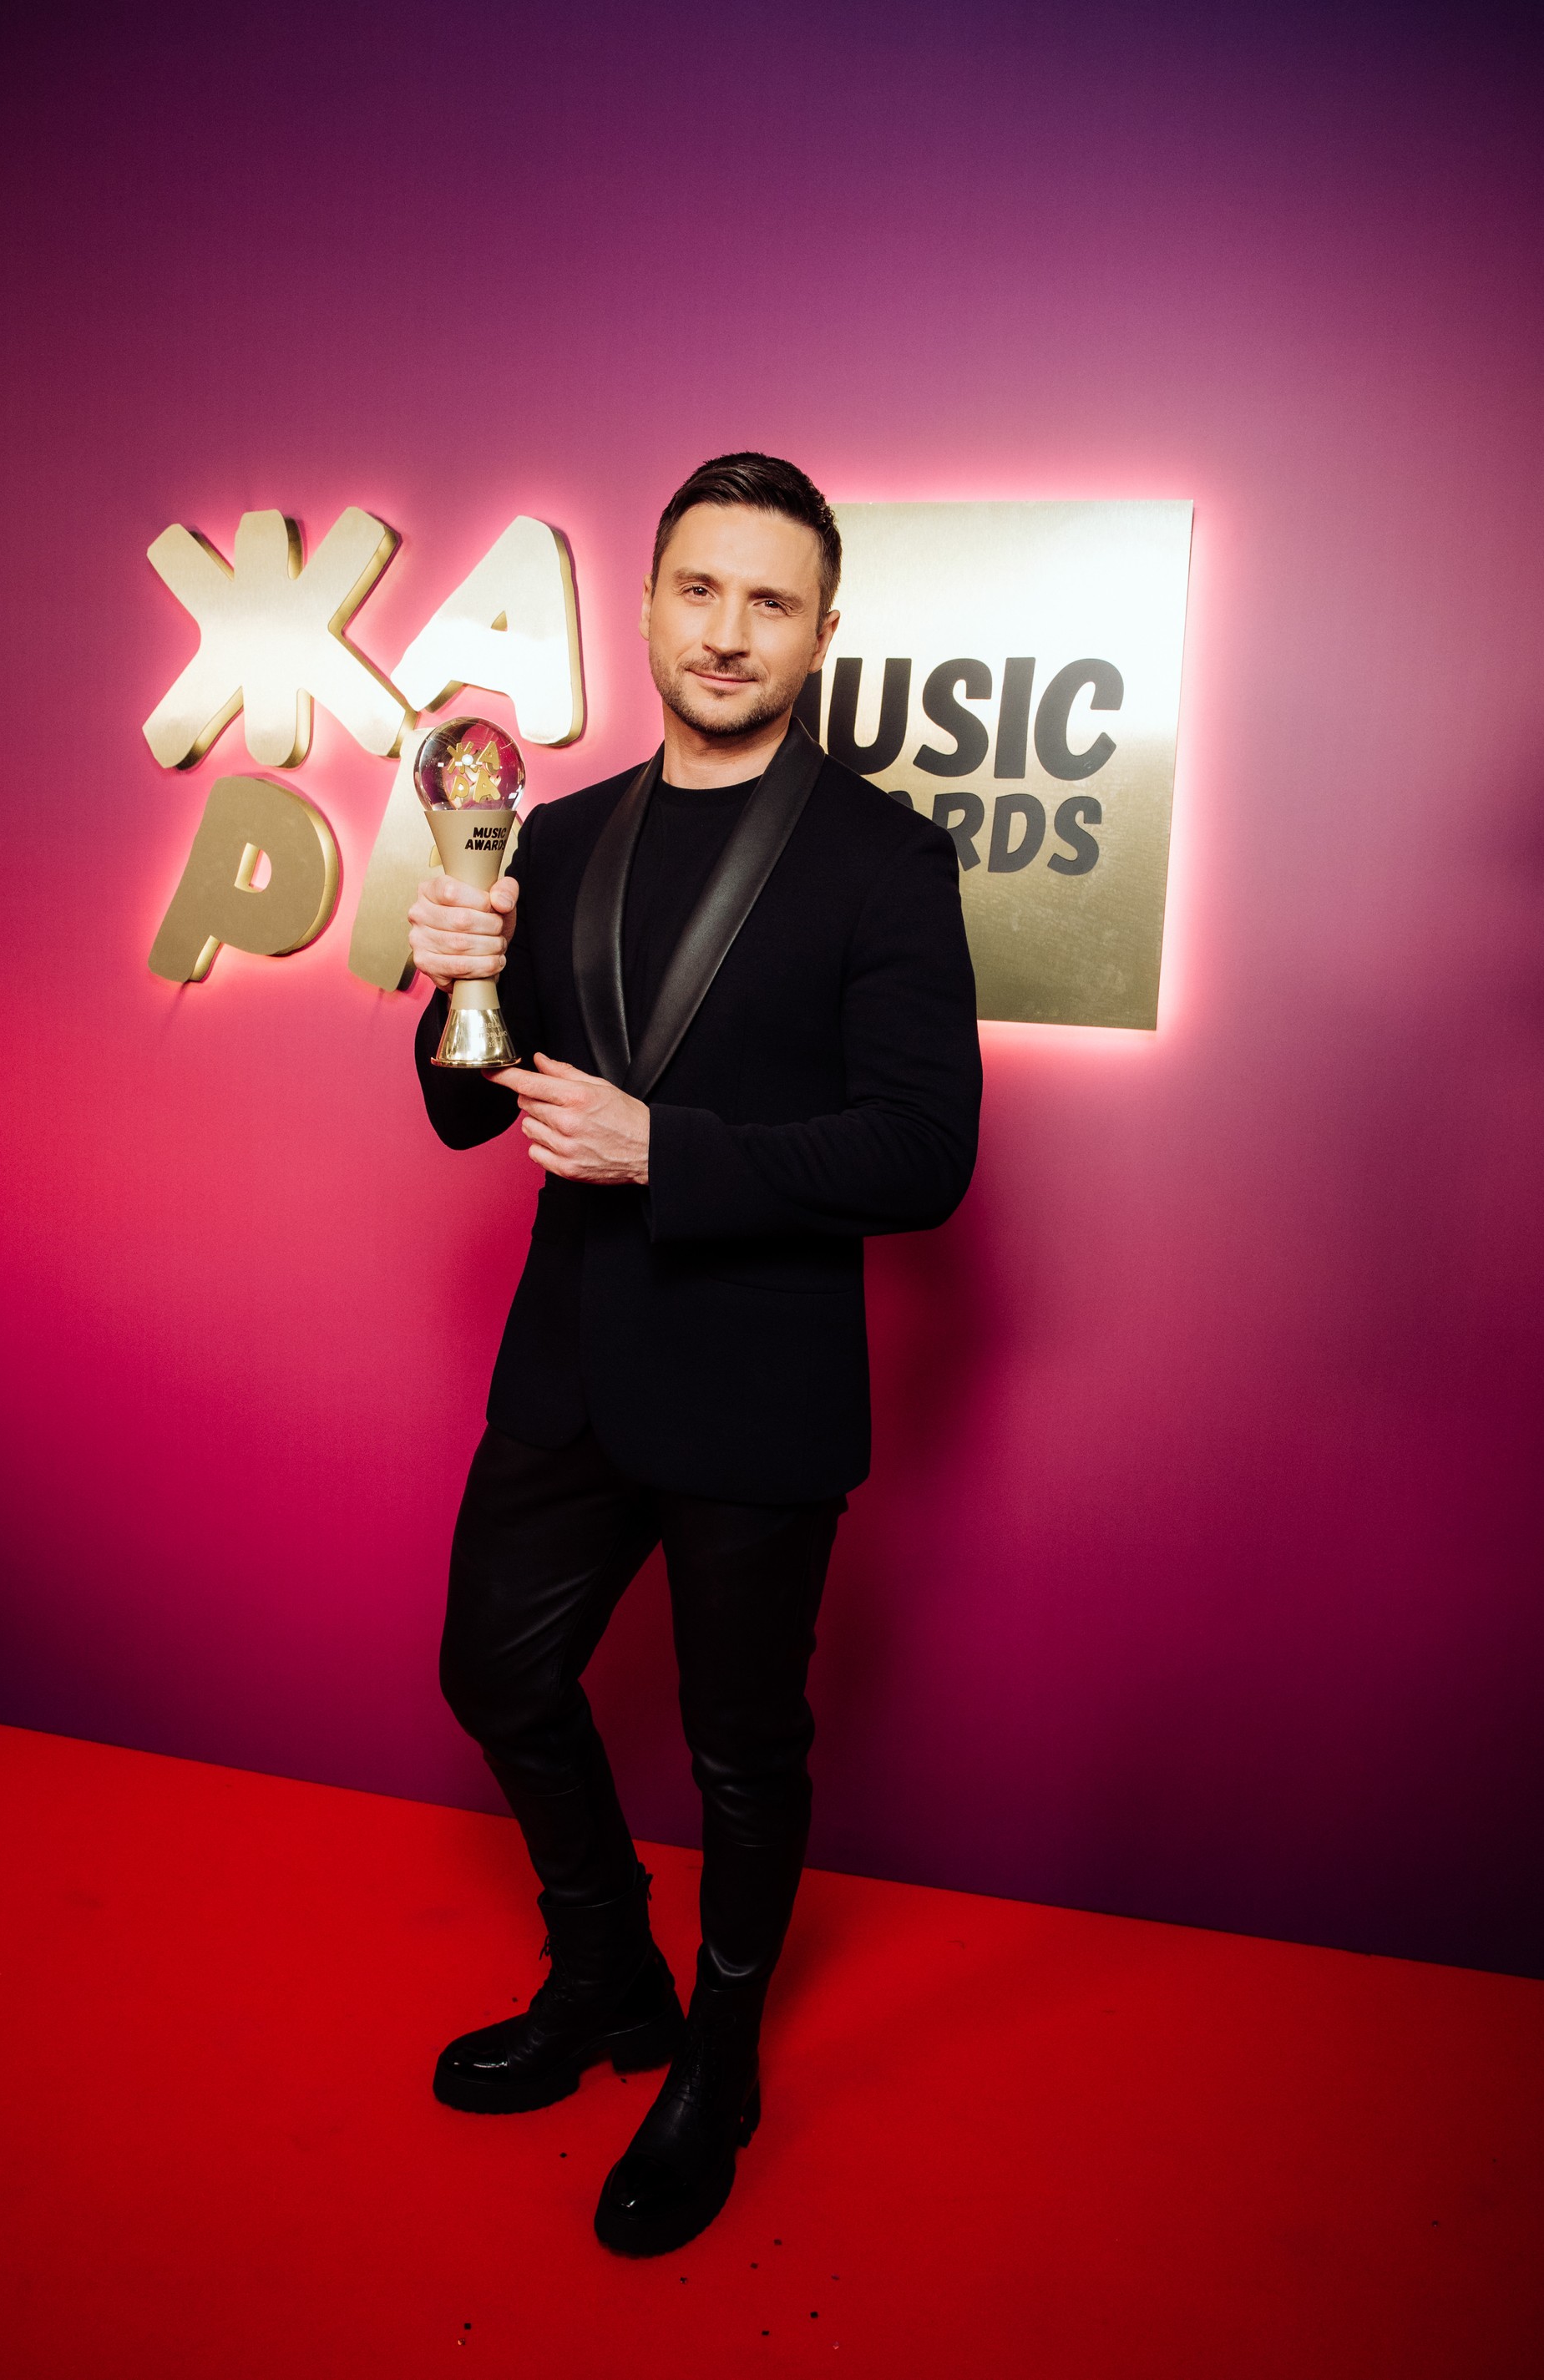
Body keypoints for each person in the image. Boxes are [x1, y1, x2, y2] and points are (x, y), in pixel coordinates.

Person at [408, 453, 982, 2256]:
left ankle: (717, 2065)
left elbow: (926, 1151)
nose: (728, 631)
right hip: (569, 1367)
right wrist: (452, 981)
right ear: (651, 603)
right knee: (493, 1673)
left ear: (821, 633)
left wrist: (672, 1151)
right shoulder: (557, 833)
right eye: (698, 589)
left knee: (743, 1753)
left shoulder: (885, 859)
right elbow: (463, 1111)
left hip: (757, 1389)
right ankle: (607, 1973)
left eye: (769, 601)